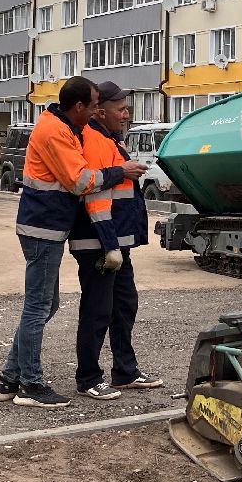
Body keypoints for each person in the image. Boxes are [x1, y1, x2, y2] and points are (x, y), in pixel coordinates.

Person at [0, 76, 146, 408]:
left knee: (46, 306)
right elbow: (80, 181)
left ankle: (8, 380)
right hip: (43, 229)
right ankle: (29, 385)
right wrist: (120, 170)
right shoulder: (56, 132)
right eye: (92, 107)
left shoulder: (62, 127)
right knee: (38, 307)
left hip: (47, 229)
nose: (95, 113)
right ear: (78, 106)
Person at [68, 81, 165, 401]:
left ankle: (125, 371)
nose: (126, 115)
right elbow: (95, 197)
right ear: (100, 111)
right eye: (120, 110)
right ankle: (88, 378)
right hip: (98, 243)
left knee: (123, 305)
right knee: (98, 309)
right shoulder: (95, 141)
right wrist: (110, 246)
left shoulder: (110, 139)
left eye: (127, 109)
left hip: (113, 243)